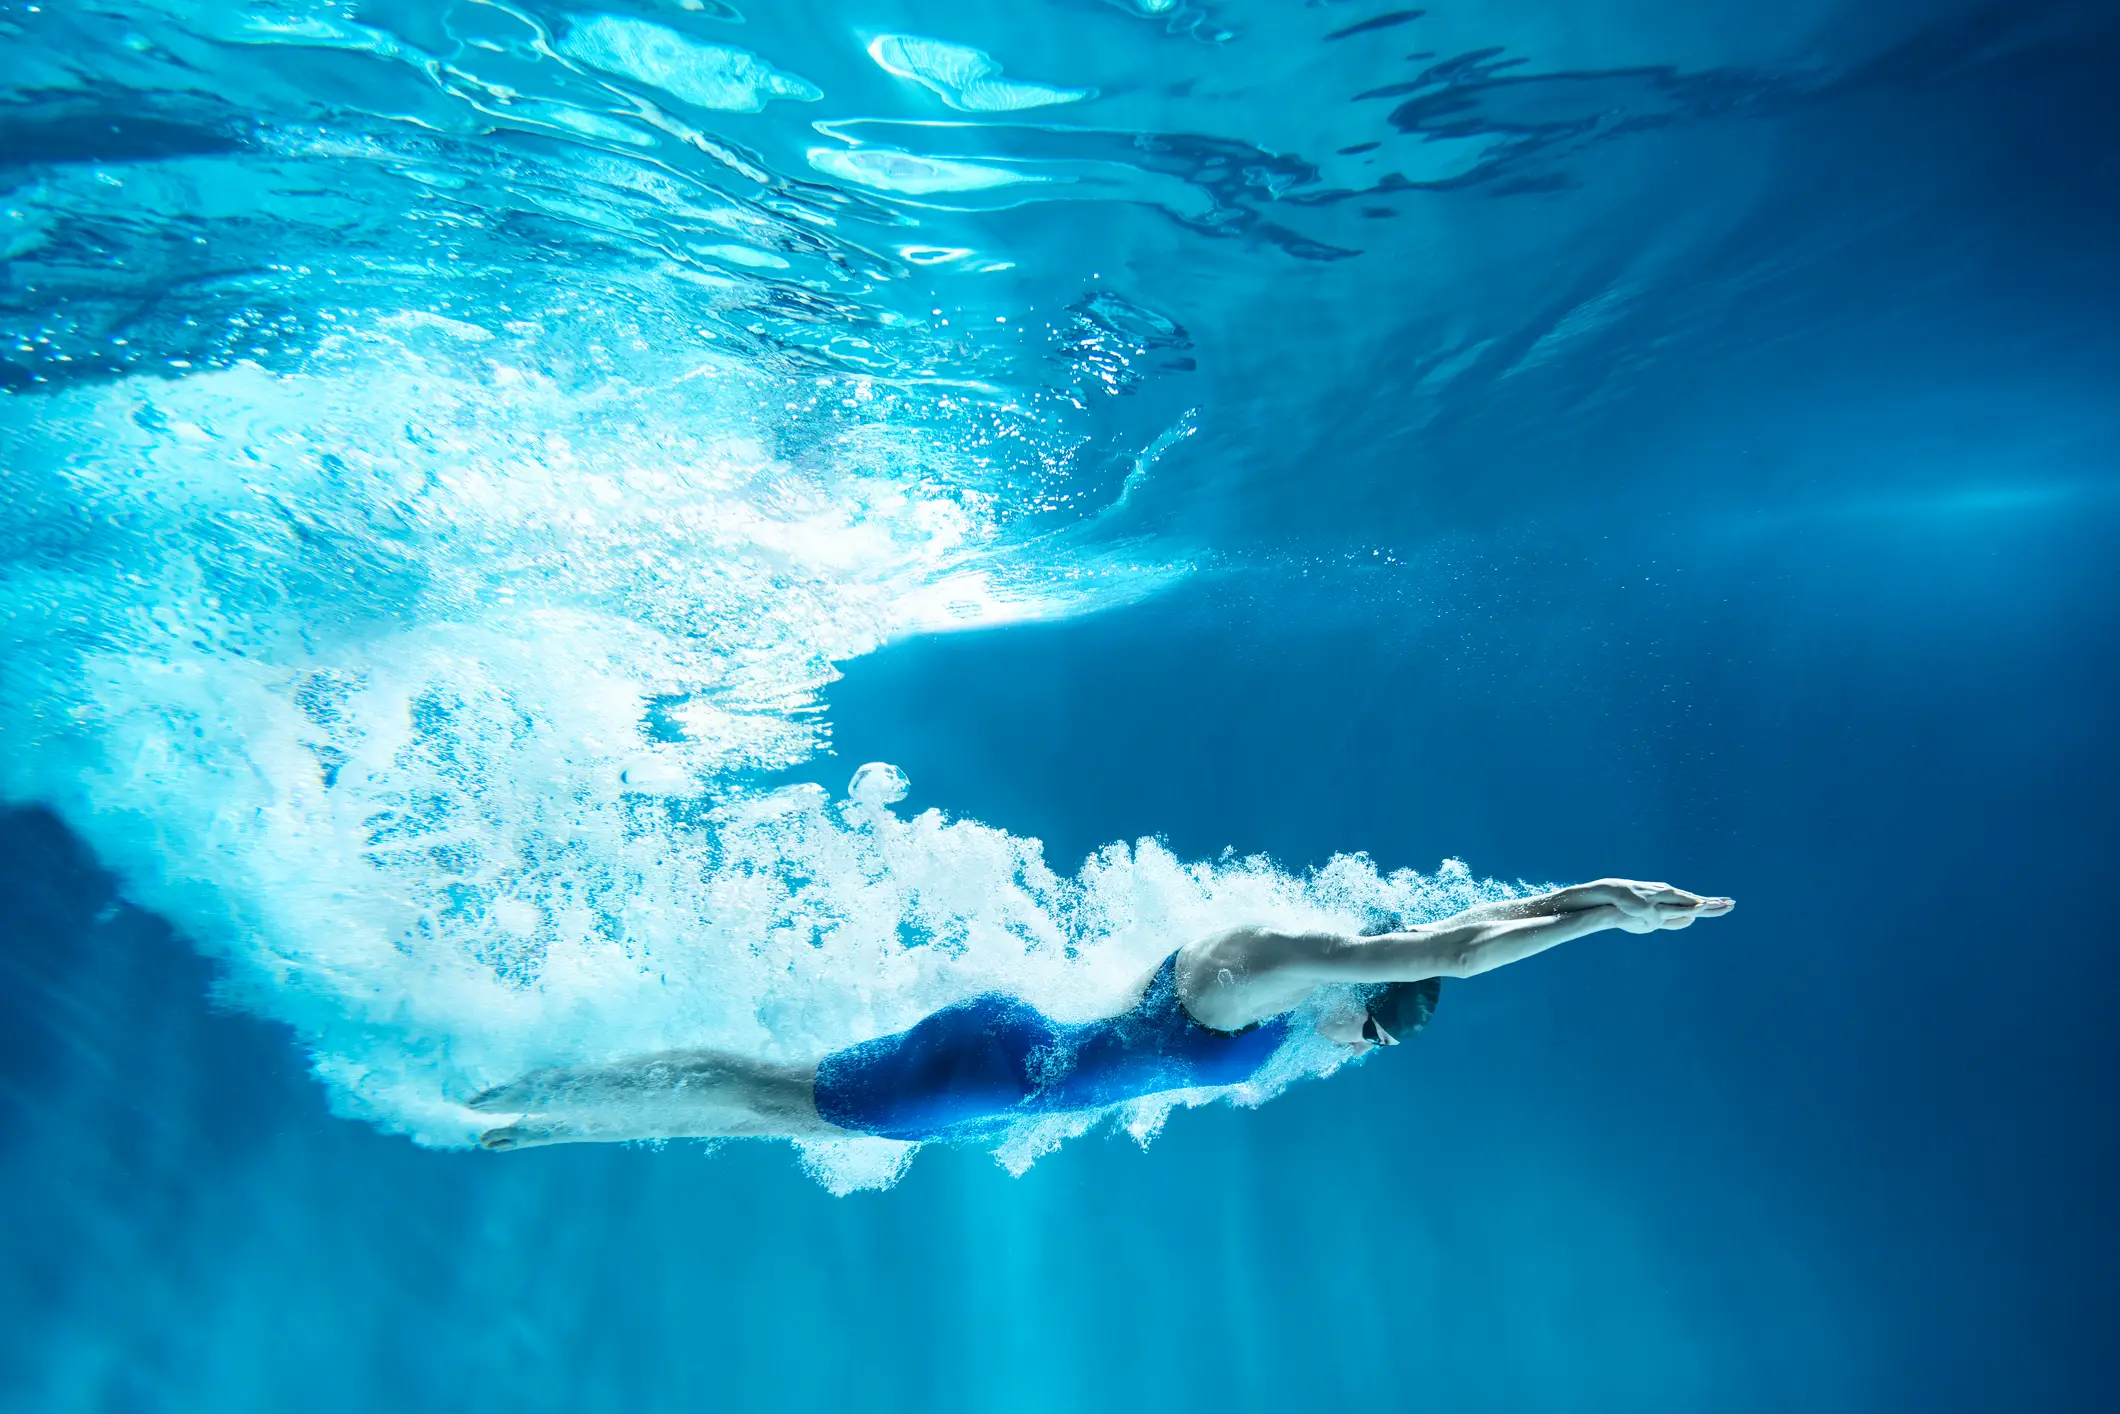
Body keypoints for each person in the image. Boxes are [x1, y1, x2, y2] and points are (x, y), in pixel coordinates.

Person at [470, 878, 1733, 1150]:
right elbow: (1450, 943)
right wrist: (1606, 921)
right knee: (770, 1100)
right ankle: (538, 1111)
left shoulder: (1306, 1004)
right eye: (1380, 1032)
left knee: (778, 1093)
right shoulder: (1267, 966)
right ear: (1365, 993)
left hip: (1004, 1075)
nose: (1359, 1053)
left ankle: (546, 1106)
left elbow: (1454, 934)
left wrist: (1581, 889)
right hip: (982, 1070)